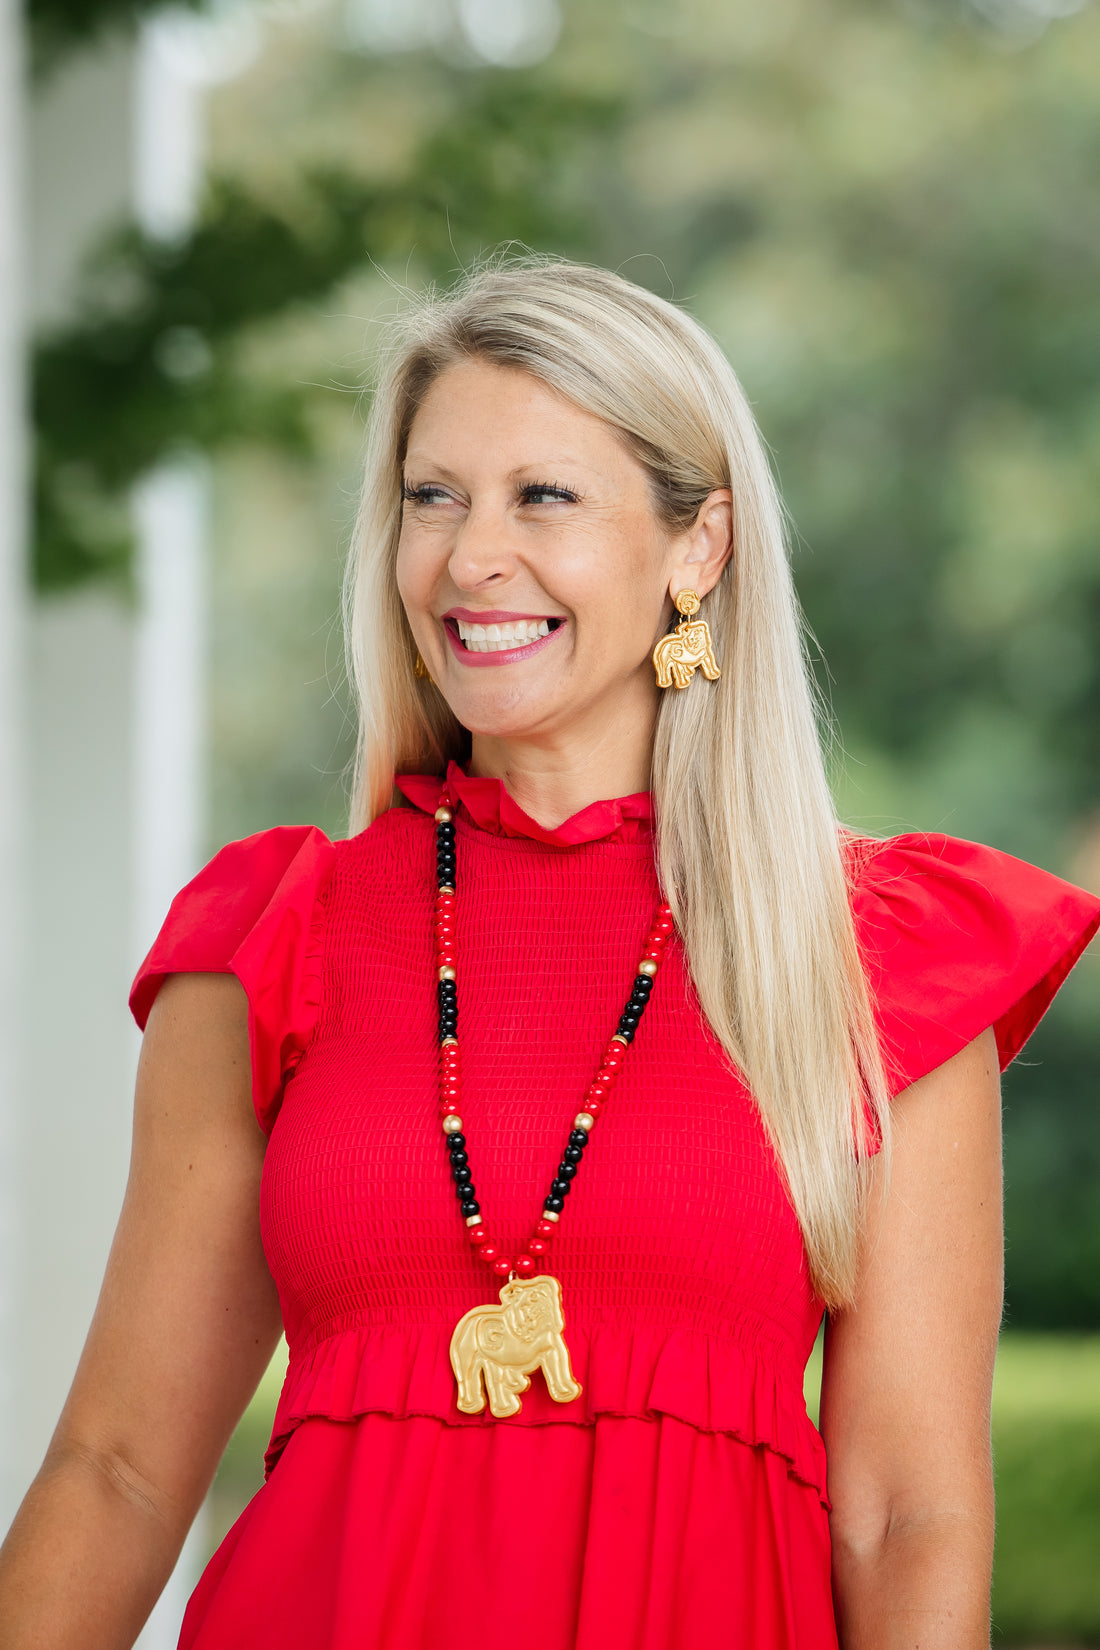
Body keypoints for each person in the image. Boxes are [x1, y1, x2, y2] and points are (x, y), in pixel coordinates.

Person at [0, 256, 1097, 1650]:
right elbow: (118, 1468)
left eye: (545, 497)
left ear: (699, 547)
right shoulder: (278, 936)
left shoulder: (883, 959)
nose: (469, 557)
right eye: (432, 496)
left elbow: (908, 1516)